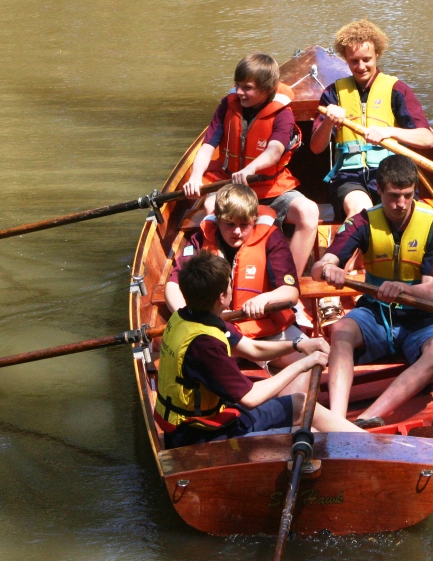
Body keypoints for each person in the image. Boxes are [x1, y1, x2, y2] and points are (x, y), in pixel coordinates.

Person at [155, 251, 363, 448]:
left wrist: (298, 345)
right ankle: (382, 450)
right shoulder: (205, 343)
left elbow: (252, 348)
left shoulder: (187, 316)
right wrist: (304, 364)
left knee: (303, 410)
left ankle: (366, 443)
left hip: (194, 425)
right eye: (229, 283)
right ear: (221, 296)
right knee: (303, 411)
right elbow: (251, 398)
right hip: (202, 436)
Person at [311, 155, 433, 426]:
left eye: (407, 195)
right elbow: (319, 268)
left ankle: (368, 417)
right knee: (341, 330)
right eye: (393, 196)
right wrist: (330, 266)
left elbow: (431, 291)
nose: (400, 204)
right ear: (379, 189)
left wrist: (402, 288)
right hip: (376, 311)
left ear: (415, 191)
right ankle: (338, 419)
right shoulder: (362, 223)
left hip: (424, 314)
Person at [182, 52, 320, 276]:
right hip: (229, 184)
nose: (239, 92)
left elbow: (275, 150)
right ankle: (221, 277)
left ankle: (289, 282)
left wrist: (250, 168)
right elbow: (207, 146)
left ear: (268, 88)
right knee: (210, 207)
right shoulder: (227, 107)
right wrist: (196, 176)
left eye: (247, 88)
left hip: (269, 187)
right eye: (237, 85)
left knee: (308, 211)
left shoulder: (283, 114)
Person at [165, 183, 307, 367]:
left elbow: (291, 292)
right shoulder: (200, 240)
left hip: (268, 329)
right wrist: (186, 315)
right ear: (217, 218)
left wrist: (265, 299)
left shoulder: (272, 238)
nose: (237, 231)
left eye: (244, 224)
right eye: (229, 224)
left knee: (309, 360)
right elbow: (173, 284)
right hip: (218, 329)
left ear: (254, 220)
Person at [310, 19, 433, 220]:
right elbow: (316, 148)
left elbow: (427, 139)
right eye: (354, 61)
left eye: (367, 59)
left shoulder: (397, 89)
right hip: (349, 177)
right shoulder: (333, 94)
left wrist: (389, 132)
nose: (361, 67)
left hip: (390, 172)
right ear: (345, 59)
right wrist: (328, 121)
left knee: (398, 212)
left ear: (377, 54)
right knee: (361, 212)